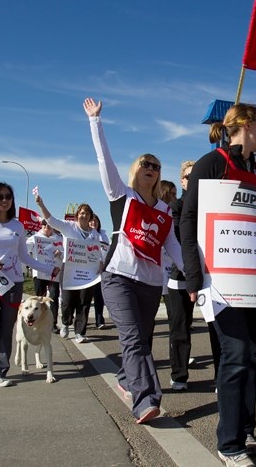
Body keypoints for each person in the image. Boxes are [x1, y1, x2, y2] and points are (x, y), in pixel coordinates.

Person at [180, 103, 256, 467]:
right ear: (246, 126)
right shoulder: (211, 163)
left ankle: (246, 428)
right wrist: (193, 274)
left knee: (253, 355)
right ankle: (229, 443)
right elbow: (187, 219)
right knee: (234, 356)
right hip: (222, 280)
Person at [84, 97, 184, 425]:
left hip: (151, 283)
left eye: (156, 166)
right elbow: (104, 159)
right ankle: (146, 400)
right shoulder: (122, 196)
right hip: (118, 276)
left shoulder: (166, 211)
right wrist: (95, 121)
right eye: (146, 164)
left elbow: (175, 250)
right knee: (131, 339)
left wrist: (199, 278)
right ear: (136, 171)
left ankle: (127, 379)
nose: (151, 169)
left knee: (142, 341)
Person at [0, 182, 59, 387]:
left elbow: (25, 256)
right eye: (0, 197)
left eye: (8, 196)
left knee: (7, 328)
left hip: (13, 283)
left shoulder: (18, 226)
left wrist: (48, 268)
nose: (4, 200)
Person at [33, 196, 102, 344]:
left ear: (90, 216)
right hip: (70, 270)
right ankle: (65, 322)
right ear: (77, 215)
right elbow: (51, 220)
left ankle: (80, 332)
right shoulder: (69, 226)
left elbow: (97, 252)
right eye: (82, 213)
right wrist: (41, 205)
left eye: (87, 213)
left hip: (87, 272)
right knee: (68, 300)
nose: (84, 215)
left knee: (84, 302)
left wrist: (100, 263)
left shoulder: (94, 233)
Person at [165, 161, 197, 391]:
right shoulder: (176, 206)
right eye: (188, 176)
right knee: (180, 327)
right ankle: (179, 375)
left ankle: (222, 377)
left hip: (209, 276)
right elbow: (176, 238)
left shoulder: (212, 203)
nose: (193, 179)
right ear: (182, 181)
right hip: (180, 276)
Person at [26, 219, 63, 334]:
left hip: (54, 273)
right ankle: (36, 321)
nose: (47, 226)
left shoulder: (59, 239)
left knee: (53, 298)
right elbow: (25, 251)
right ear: (41, 226)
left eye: (49, 225)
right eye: (44, 224)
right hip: (39, 273)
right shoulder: (35, 238)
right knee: (38, 299)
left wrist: (60, 253)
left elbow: (67, 253)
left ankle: (53, 323)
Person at [89, 213, 110, 329]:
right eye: (91, 221)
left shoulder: (104, 236)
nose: (93, 223)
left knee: (99, 296)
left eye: (95, 221)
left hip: (100, 271)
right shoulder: (85, 234)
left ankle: (99, 319)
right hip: (87, 270)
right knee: (85, 298)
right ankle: (82, 319)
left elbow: (106, 251)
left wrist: (104, 264)